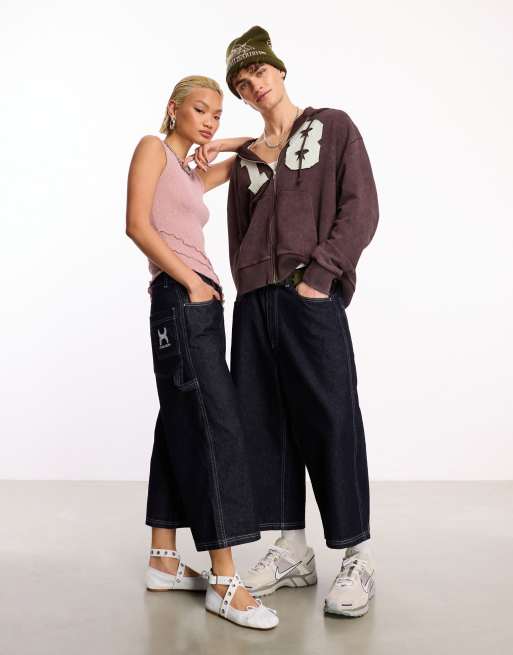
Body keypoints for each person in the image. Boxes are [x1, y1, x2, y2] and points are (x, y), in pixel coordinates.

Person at [221, 25, 379, 617]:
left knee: (332, 418)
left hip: (309, 295)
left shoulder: (332, 127)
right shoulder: (246, 160)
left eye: (259, 72)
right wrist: (246, 286)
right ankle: (292, 549)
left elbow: (360, 207)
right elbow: (238, 231)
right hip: (256, 305)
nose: (254, 85)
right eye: (242, 83)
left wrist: (322, 275)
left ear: (279, 71)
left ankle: (357, 555)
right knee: (267, 423)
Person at [125, 74, 279, 629]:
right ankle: (225, 580)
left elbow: (252, 155)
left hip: (199, 304)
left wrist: (223, 143)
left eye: (217, 113)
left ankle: (164, 559)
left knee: (178, 421)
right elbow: (137, 225)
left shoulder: (190, 173)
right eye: (200, 110)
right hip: (181, 299)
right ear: (173, 108)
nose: (210, 120)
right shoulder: (152, 149)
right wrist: (190, 282)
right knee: (217, 426)